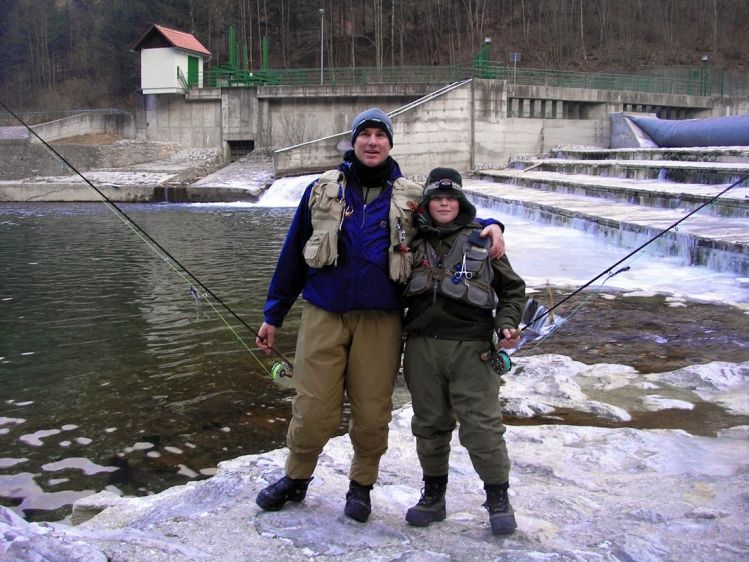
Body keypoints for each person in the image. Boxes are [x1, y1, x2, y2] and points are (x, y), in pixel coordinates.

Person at [254, 108, 506, 523]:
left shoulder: (410, 195)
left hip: (382, 318)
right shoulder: (321, 188)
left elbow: (451, 216)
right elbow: (292, 255)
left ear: (390, 144)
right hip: (324, 310)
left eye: (380, 135)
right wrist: (273, 314)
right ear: (352, 142)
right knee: (314, 408)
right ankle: (296, 478)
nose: (372, 142)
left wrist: (491, 224)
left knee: (372, 411)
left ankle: (361, 485)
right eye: (364, 135)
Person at [401, 167, 526, 535]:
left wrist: (507, 322)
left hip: (473, 350)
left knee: (483, 427)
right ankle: (434, 497)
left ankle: (498, 498)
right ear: (427, 203)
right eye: (437, 198)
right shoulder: (411, 240)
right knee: (429, 425)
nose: (443, 203)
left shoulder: (485, 239)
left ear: (461, 202)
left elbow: (514, 290)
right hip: (423, 349)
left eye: (450, 198)